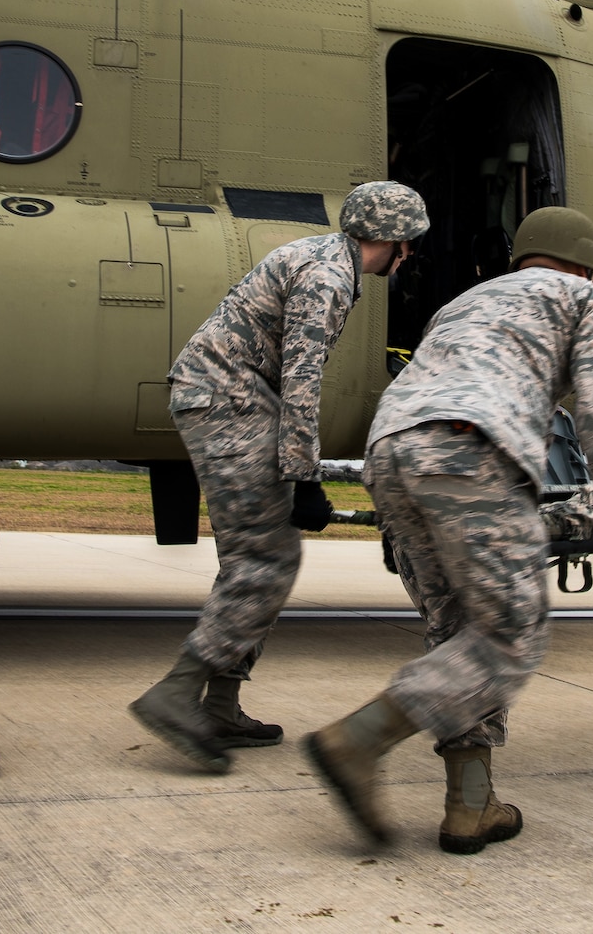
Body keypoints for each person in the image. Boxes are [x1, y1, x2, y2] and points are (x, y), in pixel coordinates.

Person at [303, 205, 593, 854]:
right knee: (510, 638)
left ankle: (471, 805)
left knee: (460, 637)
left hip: (391, 449)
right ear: (584, 264)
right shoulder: (582, 298)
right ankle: (358, 740)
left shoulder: (463, 303)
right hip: (469, 449)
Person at [129, 181, 430, 772]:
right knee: (266, 561)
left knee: (263, 555)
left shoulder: (323, 257)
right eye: (410, 244)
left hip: (236, 398)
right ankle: (177, 694)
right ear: (394, 240)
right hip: (225, 399)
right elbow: (301, 376)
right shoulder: (327, 277)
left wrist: (297, 472)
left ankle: (219, 703)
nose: (410, 256)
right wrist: (305, 476)